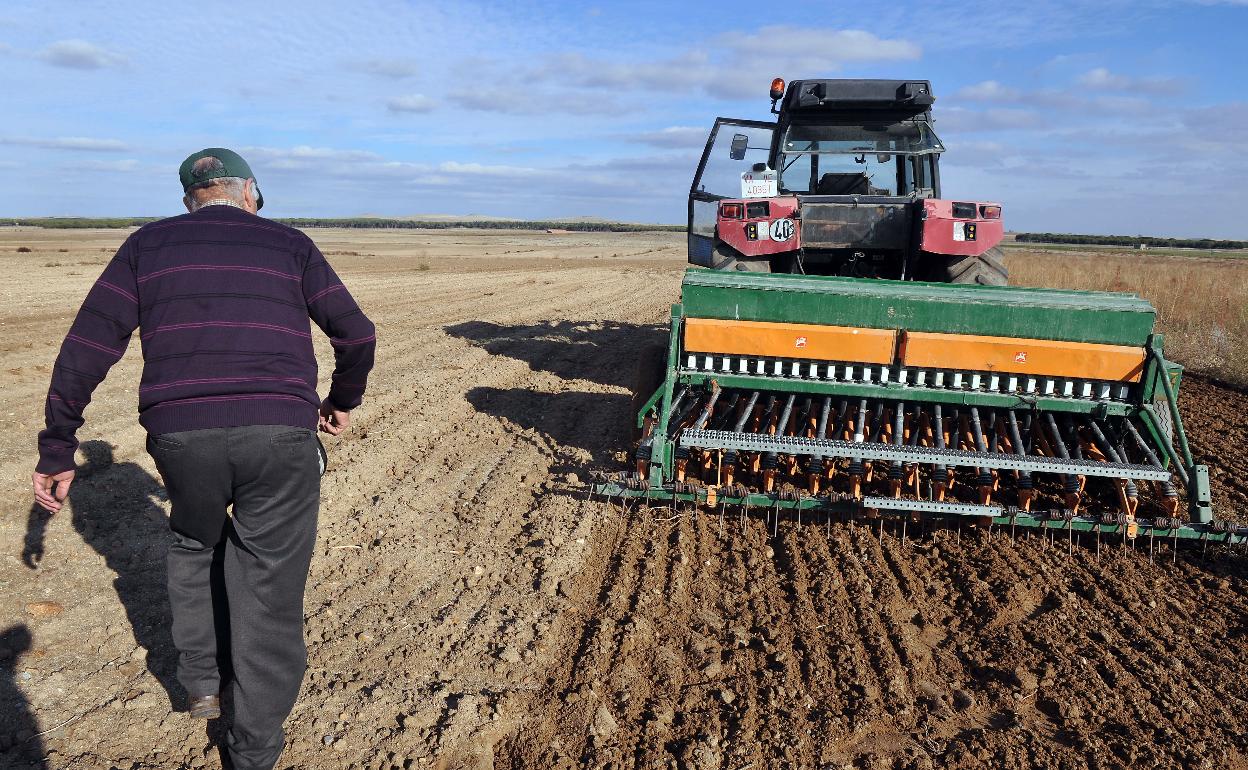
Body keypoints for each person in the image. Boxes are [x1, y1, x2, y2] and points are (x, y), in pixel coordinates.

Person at [30, 148, 376, 770]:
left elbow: (85, 346)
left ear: (189, 197)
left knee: (194, 545)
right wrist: (339, 399)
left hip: (180, 434)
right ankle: (253, 751)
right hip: (278, 433)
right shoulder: (290, 245)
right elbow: (358, 334)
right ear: (251, 191)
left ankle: (202, 682)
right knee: (267, 584)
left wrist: (59, 444)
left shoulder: (147, 246)